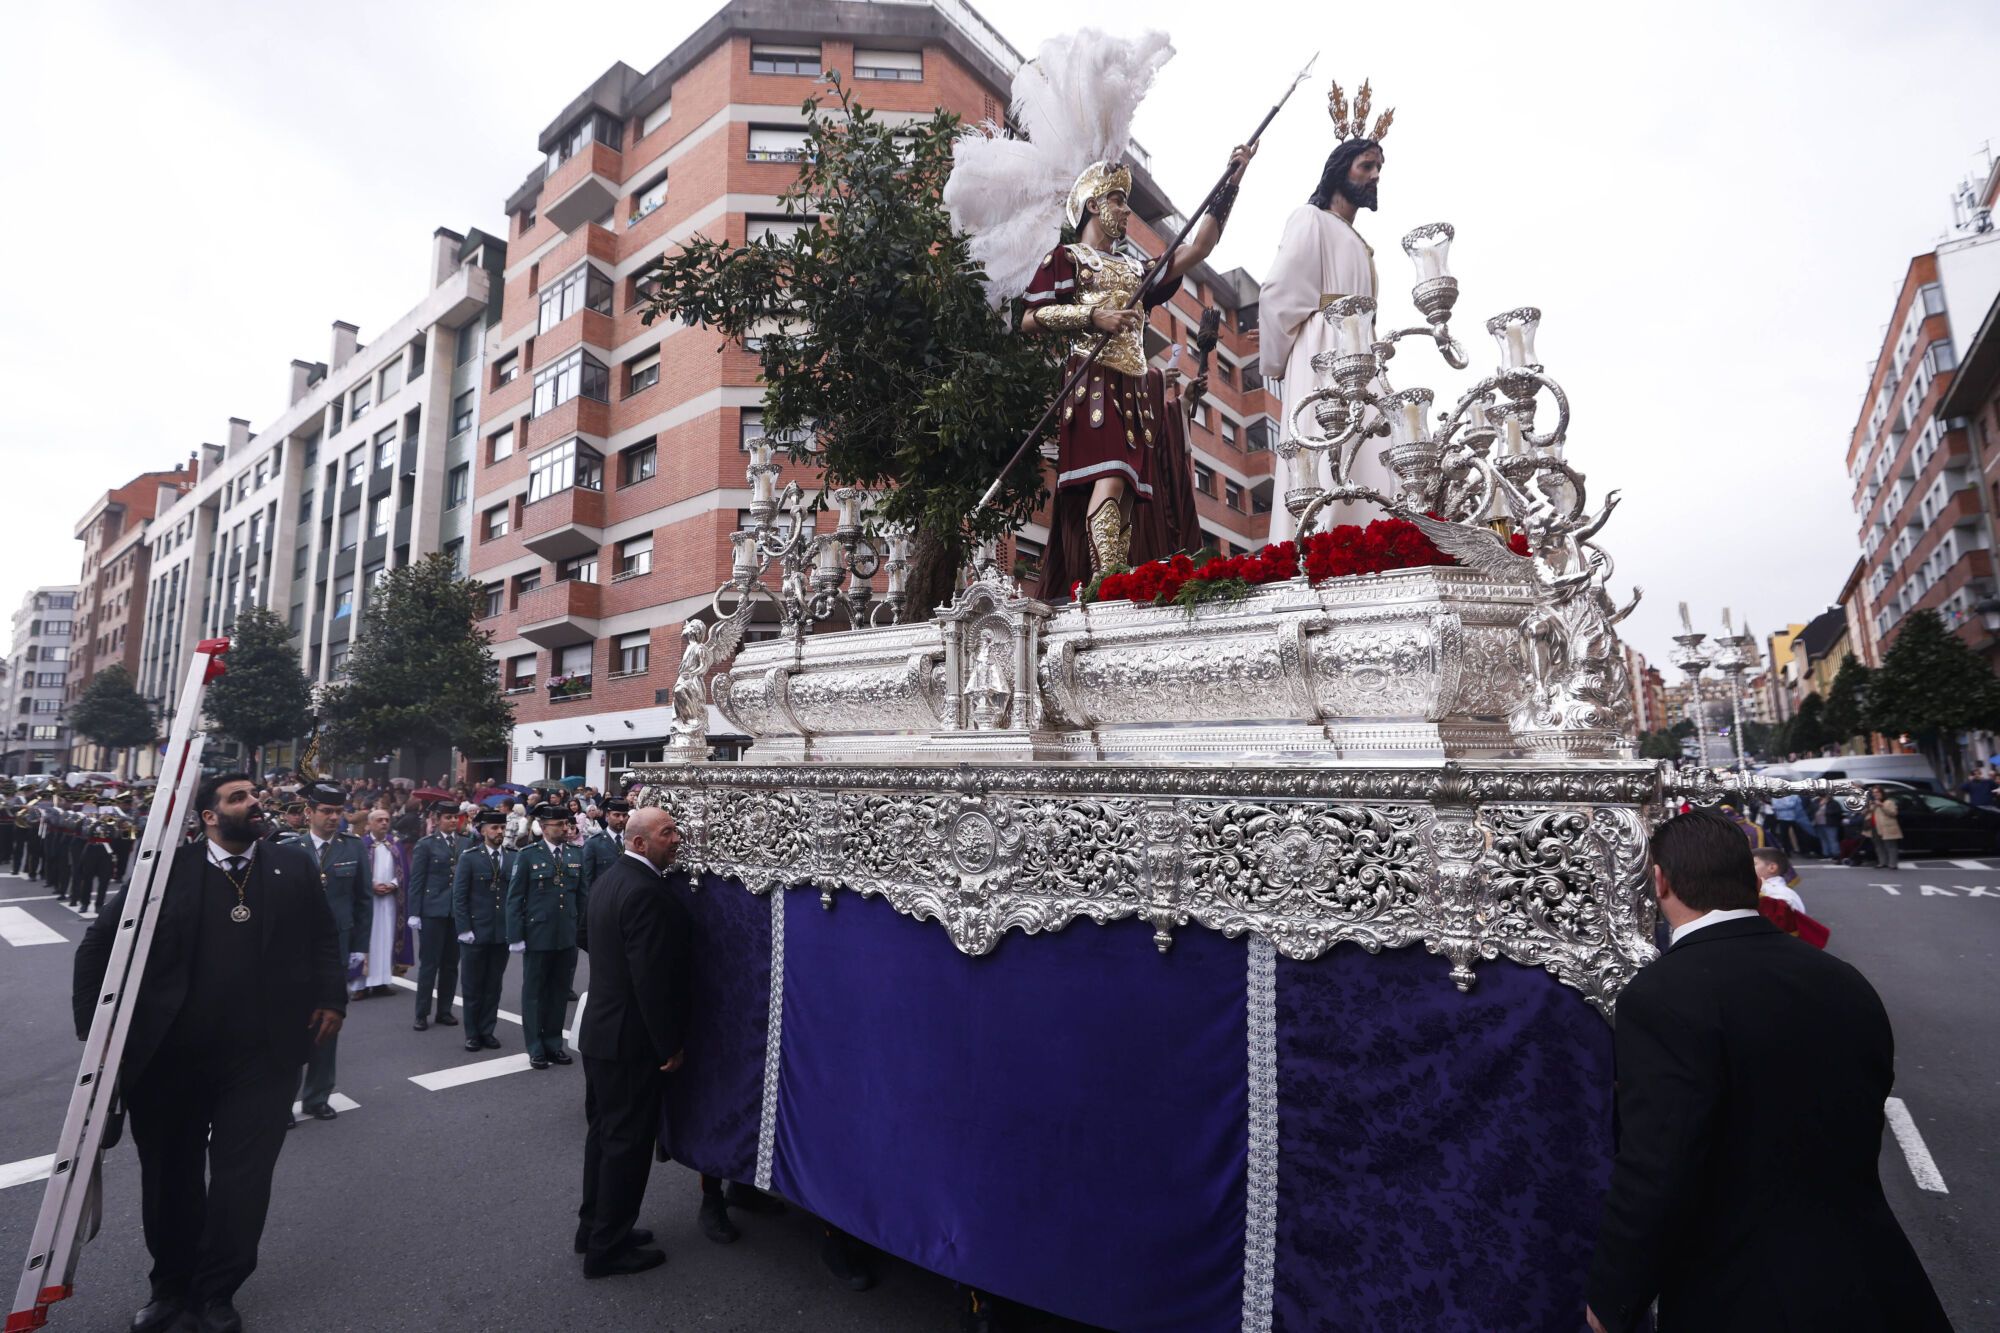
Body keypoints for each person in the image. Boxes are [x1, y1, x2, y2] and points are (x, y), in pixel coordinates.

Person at [1584, 810, 1948, 1332]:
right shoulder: (1841, 977)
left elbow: (1660, 1159)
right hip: (1875, 1270)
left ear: (1659, 880)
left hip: (1743, 1285)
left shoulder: (1661, 994)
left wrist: (1615, 1294)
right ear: (1751, 876)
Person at [72, 773, 346, 1333]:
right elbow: (100, 943)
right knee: (169, 1177)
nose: (255, 802)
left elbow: (322, 936)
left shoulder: (291, 865)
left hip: (262, 1055)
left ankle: (217, 1291)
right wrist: (95, 1036)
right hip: (171, 1056)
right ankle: (170, 1287)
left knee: (243, 1182)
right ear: (209, 817)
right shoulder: (165, 869)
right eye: (238, 798)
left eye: (255, 794)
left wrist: (330, 997)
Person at [1018, 145, 1253, 596]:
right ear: (1093, 204)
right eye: (1119, 201)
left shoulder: (1136, 269)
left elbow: (1199, 247)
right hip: (1092, 378)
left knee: (1128, 488)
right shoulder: (1067, 259)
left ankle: (1113, 579)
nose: (1127, 211)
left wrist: (1231, 183)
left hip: (1135, 386)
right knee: (1111, 475)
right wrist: (1093, 316)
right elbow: (1029, 318)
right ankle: (1106, 582)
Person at [1260, 80, 1394, 536]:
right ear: (1340, 172)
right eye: (1367, 166)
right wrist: (1280, 360)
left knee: (1371, 453)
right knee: (1326, 453)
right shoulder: (1311, 218)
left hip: (1362, 355)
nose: (1375, 175)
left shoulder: (1360, 242)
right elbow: (1279, 291)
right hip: (1324, 351)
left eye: (1379, 167)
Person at [573, 807, 692, 1277]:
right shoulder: (646, 891)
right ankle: (609, 1247)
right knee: (626, 1144)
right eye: (667, 832)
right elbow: (652, 979)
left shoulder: (610, 879)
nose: (677, 839)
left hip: (601, 1029)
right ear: (640, 842)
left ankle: (593, 1229)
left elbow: (585, 935)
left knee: (604, 1136)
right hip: (630, 1040)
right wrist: (669, 1045)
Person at [279, 784, 369, 1121]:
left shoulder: (353, 847)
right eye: (326, 811)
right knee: (290, 1025)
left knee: (329, 1020)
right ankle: (283, 1101)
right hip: (295, 950)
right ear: (309, 813)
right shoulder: (289, 848)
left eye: (338, 812)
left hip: (336, 949)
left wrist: (360, 948)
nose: (333, 818)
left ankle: (317, 1096)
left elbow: (363, 901)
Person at [507, 803, 588, 1070]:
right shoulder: (528, 855)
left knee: (558, 992)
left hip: (566, 935)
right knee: (534, 993)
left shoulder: (575, 854)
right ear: (543, 827)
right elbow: (515, 898)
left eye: (567, 824)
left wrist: (582, 932)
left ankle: (554, 1044)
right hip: (537, 934)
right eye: (559, 825)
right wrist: (516, 936)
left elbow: (582, 898)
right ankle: (535, 1047)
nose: (565, 829)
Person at [452, 808, 515, 1053]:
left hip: (501, 932)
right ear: (483, 830)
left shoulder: (512, 857)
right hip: (475, 931)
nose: (499, 832)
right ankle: (472, 1033)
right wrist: (464, 928)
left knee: (493, 985)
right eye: (494, 828)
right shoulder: (469, 857)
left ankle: (487, 1030)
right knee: (472, 985)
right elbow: (460, 896)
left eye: (502, 828)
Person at [406, 801, 471, 1032]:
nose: (453, 821)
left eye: (455, 817)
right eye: (448, 817)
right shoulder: (426, 844)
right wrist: (414, 912)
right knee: (429, 965)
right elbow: (416, 880)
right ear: (437, 819)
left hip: (456, 912)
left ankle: (444, 1010)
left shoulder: (466, 842)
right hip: (432, 910)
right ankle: (421, 1013)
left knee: (451, 964)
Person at [359, 808, 407, 996]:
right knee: (367, 940)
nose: (384, 823)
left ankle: (381, 982)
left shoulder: (395, 845)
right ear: (369, 823)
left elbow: (403, 870)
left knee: (387, 939)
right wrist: (370, 885)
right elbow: (357, 872)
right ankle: (361, 984)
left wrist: (393, 884)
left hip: (389, 902)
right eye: (379, 820)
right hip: (368, 902)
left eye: (386, 819)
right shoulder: (361, 845)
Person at [582, 797, 630, 888]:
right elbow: (587, 879)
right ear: (607, 815)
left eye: (624, 815)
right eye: (617, 815)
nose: (621, 819)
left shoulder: (633, 840)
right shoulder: (593, 843)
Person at [1867, 785, 1902, 870]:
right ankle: (1882, 862)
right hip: (1874, 827)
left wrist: (1881, 805)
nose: (1875, 794)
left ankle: (1893, 864)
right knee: (1879, 846)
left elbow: (1893, 813)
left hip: (1886, 827)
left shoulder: (1888, 802)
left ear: (1882, 793)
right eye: (1873, 793)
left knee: (1890, 846)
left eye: (1877, 792)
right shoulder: (1873, 803)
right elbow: (1864, 813)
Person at [1812, 790, 1845, 860]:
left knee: (1832, 839)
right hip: (1818, 823)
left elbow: (1838, 812)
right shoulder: (1816, 801)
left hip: (1830, 824)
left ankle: (1835, 854)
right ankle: (1826, 854)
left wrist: (1826, 812)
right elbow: (1812, 809)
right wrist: (1821, 804)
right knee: (1823, 839)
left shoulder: (1834, 803)